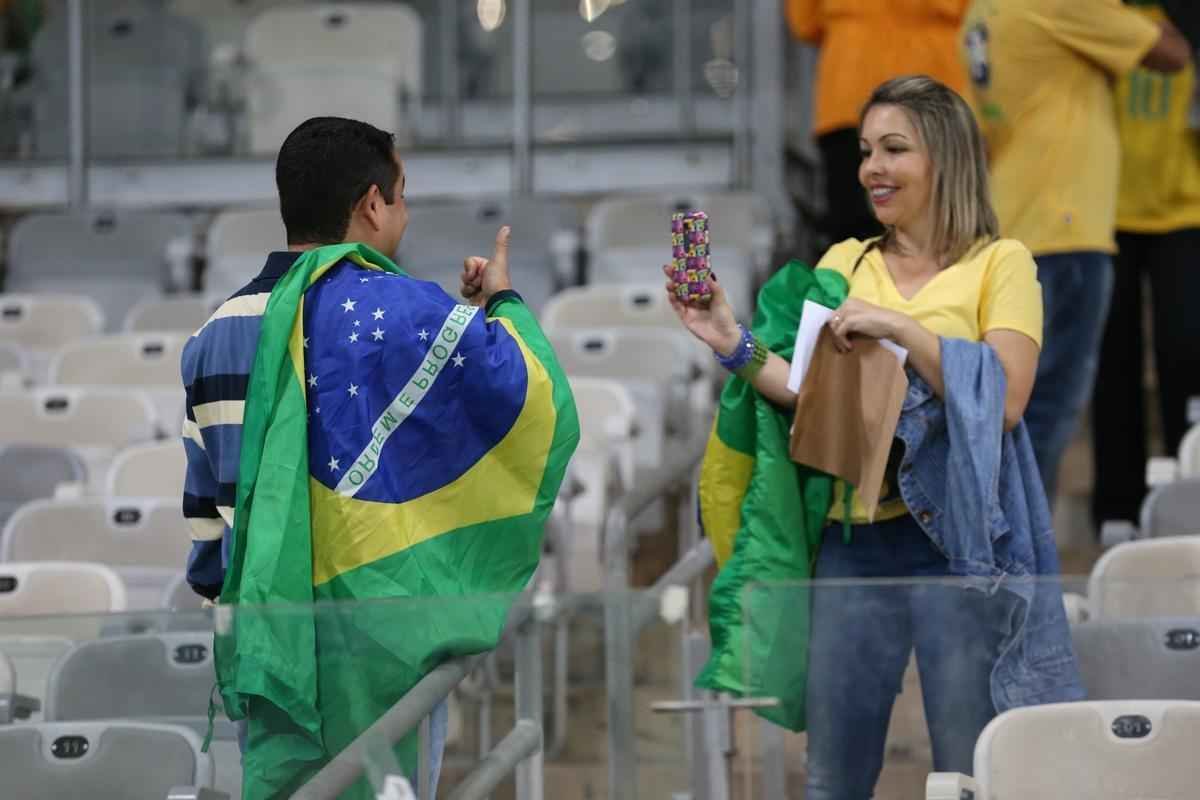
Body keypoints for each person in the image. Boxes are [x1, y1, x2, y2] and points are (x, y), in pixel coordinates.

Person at [671, 76, 1082, 799]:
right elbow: (811, 397)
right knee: (833, 776)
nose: (871, 169)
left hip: (959, 549)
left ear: (946, 158)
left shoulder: (1002, 262)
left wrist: (899, 327)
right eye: (865, 151)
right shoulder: (844, 264)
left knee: (965, 773)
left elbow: (1008, 397)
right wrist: (731, 340)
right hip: (854, 543)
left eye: (894, 149)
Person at [180, 117, 577, 797]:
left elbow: (206, 530)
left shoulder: (210, 336)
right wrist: (501, 303)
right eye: (401, 195)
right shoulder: (408, 312)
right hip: (380, 665)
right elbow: (534, 399)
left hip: (266, 658)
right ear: (371, 203)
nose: (404, 212)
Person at [960, 0, 1190, 504]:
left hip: (1013, 225)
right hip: (1066, 232)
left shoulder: (980, 13)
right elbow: (1172, 52)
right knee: (1045, 414)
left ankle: (1002, 551)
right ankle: (1020, 563)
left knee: (1012, 409)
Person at [1091, 0, 1200, 530]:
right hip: (1104, 207)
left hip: (1187, 204)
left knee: (1186, 352)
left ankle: (1188, 497)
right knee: (1114, 361)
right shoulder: (1096, 12)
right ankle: (1117, 506)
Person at [785, 0, 971, 245]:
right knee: (941, 226)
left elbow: (804, 23)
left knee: (853, 237)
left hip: (850, 89)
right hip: (934, 90)